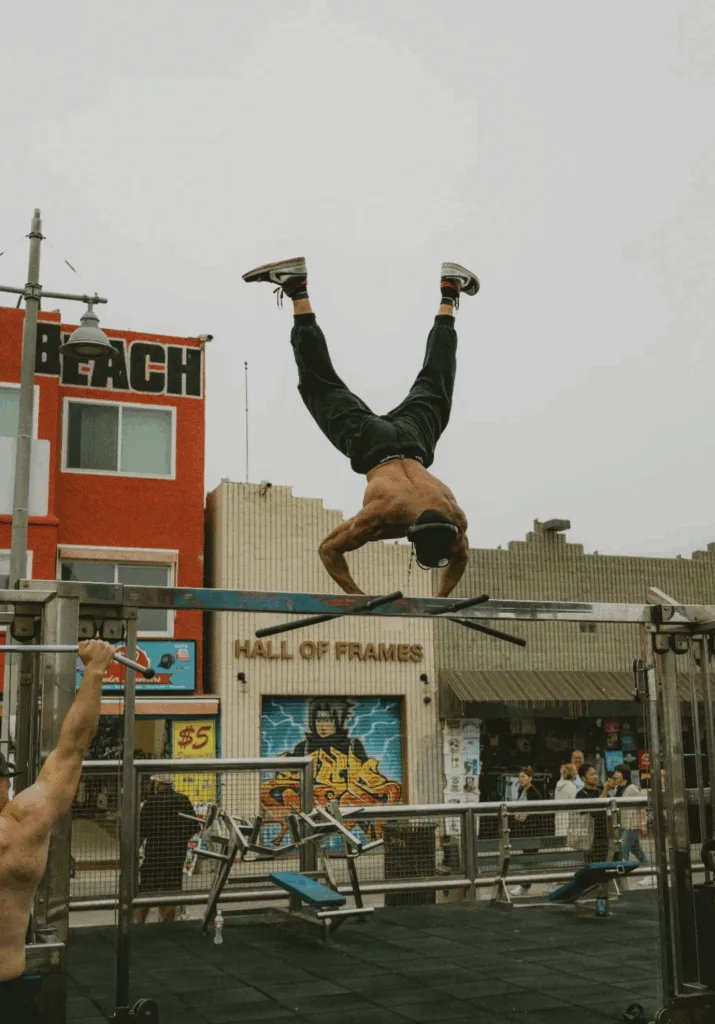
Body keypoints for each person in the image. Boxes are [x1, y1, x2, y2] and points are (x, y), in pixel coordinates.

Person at [242, 257, 479, 596]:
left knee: (437, 379)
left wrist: (438, 601)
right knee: (320, 384)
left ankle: (450, 290)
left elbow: (460, 557)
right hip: (371, 446)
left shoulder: (452, 516)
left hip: (415, 439)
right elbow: (328, 549)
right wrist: (357, 596)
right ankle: (296, 288)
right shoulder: (393, 514)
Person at [0, 639, 116, 1018]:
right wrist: (95, 668)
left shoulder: (21, 821)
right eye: (5, 780)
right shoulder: (21, 823)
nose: (10, 786)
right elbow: (73, 747)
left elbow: (72, 748)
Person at [134, 774, 196, 924]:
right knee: (171, 891)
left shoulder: (151, 802)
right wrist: (179, 839)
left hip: (154, 854)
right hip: (176, 855)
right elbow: (194, 826)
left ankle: (139, 926)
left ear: (158, 784)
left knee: (146, 892)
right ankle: (167, 926)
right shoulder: (183, 800)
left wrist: (133, 850)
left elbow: (141, 831)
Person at [609, 763, 651, 886]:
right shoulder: (618, 789)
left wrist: (643, 824)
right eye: (615, 771)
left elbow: (641, 806)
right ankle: (649, 874)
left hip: (632, 823)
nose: (615, 774)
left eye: (618, 772)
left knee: (624, 850)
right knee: (637, 851)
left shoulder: (632, 788)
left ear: (624, 774)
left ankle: (621, 879)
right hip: (625, 824)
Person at [509, 767, 543, 897]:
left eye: (523, 776)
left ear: (530, 778)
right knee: (527, 859)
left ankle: (524, 886)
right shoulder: (522, 791)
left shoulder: (533, 792)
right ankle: (524, 886)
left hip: (532, 831)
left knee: (529, 860)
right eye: (520, 777)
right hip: (525, 830)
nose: (521, 779)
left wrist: (526, 816)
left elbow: (536, 810)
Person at [575, 763, 610, 863]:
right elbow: (596, 810)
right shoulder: (580, 795)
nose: (595, 776)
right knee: (592, 866)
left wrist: (608, 790)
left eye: (596, 773)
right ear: (584, 778)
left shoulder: (600, 791)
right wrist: (606, 790)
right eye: (592, 774)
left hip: (605, 836)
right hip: (590, 839)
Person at [554, 763, 578, 837]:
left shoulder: (559, 783)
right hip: (567, 815)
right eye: (575, 772)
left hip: (558, 813)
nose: (576, 774)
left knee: (559, 834)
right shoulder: (572, 786)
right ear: (572, 774)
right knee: (567, 836)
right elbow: (573, 803)